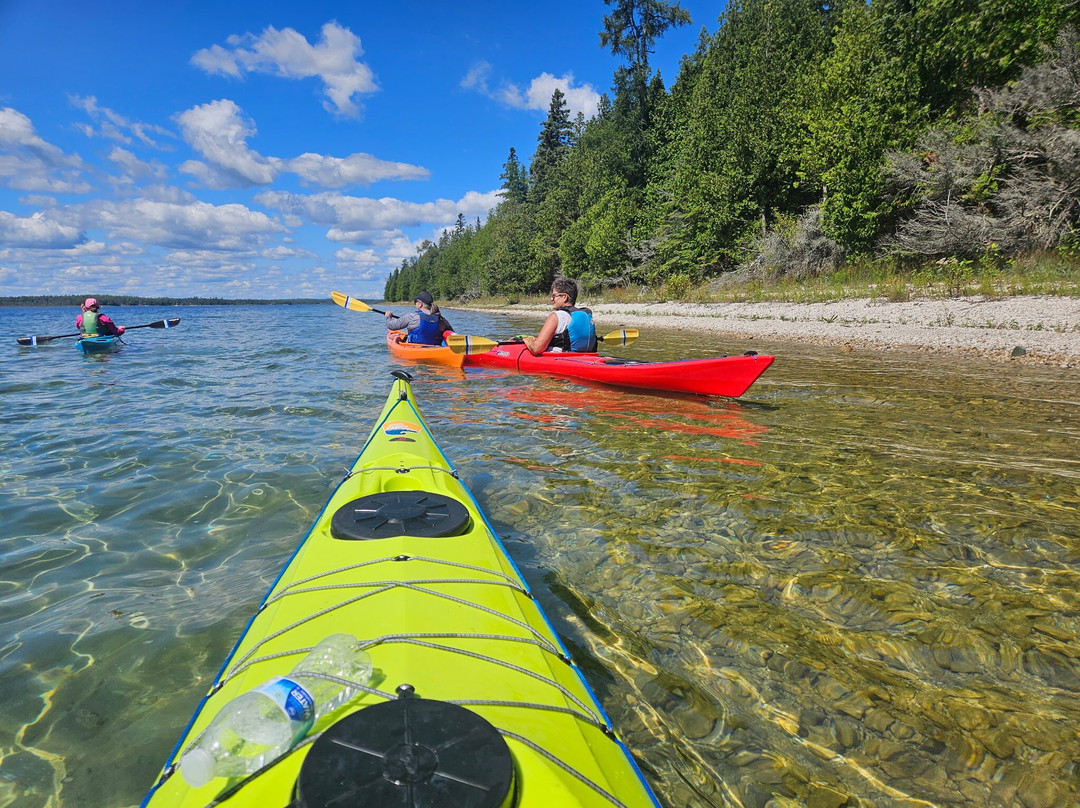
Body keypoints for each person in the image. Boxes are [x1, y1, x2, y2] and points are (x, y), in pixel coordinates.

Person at [522, 277, 597, 355]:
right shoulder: (586, 314)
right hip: (587, 357)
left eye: (554, 296)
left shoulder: (556, 316)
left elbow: (537, 348)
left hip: (562, 360)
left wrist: (529, 341)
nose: (551, 299)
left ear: (564, 297)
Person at [384, 291, 454, 345]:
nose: (415, 304)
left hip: (416, 348)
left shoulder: (412, 317)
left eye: (416, 302)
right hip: (436, 347)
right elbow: (451, 332)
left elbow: (391, 325)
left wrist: (388, 317)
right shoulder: (440, 318)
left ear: (420, 304)